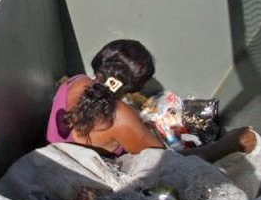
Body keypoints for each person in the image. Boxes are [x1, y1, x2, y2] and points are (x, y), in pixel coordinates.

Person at [46, 39, 256, 162]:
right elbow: (170, 165)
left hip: (54, 160)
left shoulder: (75, 81)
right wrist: (232, 143)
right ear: (137, 87)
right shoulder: (119, 116)